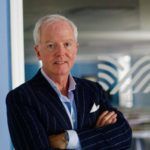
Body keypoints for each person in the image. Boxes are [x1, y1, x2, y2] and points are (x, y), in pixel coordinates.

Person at [6, 14, 132, 150]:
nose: (60, 53)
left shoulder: (93, 90)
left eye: (67, 44)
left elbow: (124, 136)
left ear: (75, 48)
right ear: (38, 52)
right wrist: (97, 136)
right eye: (51, 45)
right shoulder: (21, 98)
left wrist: (68, 140)